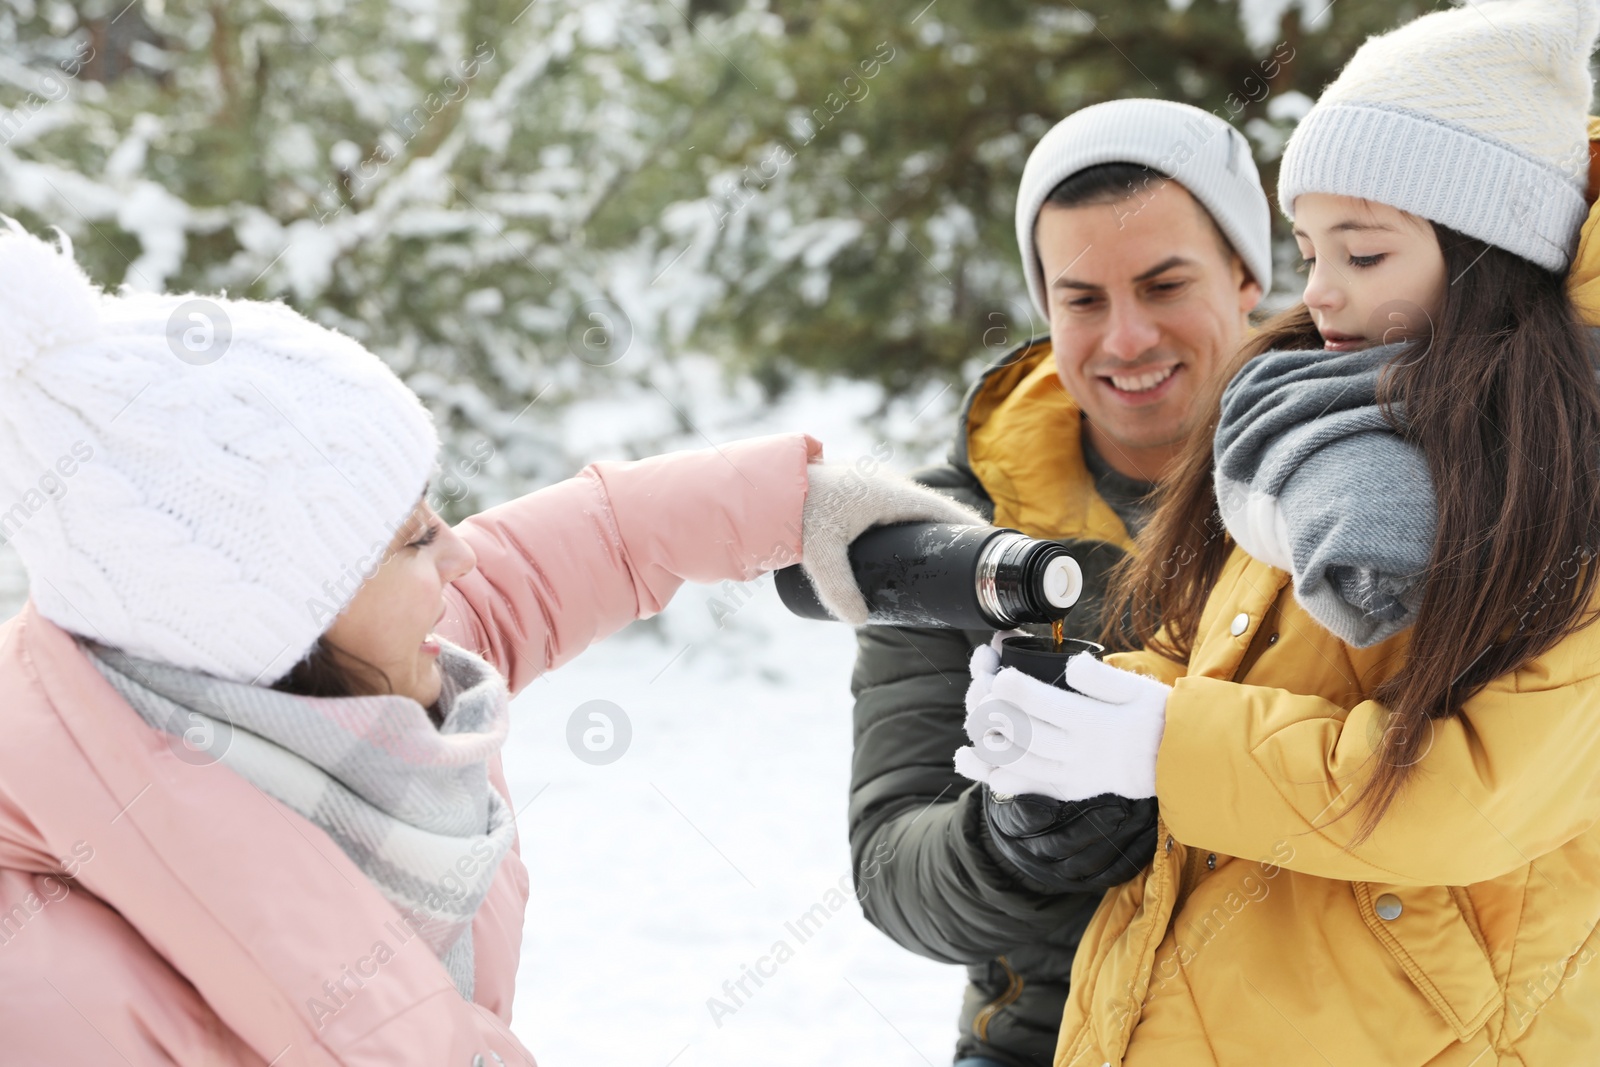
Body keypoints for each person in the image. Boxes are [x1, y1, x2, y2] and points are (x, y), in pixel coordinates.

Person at [0, 221, 980, 1064]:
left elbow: (585, 544)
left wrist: (796, 506)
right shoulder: (48, 985)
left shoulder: (308, 687)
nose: (462, 553)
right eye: (416, 536)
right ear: (274, 619)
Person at [955, 1, 1600, 1063]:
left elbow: (1473, 799)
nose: (1323, 294)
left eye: (1364, 253)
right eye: (1309, 249)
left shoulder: (1564, 473)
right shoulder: (1312, 415)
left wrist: (1167, 742)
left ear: (1487, 250)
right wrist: (1093, 706)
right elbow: (1225, 656)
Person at [846, 98, 1270, 1066]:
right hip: (1049, 1033)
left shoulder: (1358, 489)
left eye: (1164, 285)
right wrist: (1005, 845)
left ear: (1247, 275)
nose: (1125, 339)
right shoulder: (948, 536)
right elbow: (888, 865)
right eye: (1082, 299)